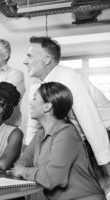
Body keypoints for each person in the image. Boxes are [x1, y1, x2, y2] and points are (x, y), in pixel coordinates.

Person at [24, 36, 110, 193]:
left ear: (47, 59)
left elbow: (91, 123)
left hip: (103, 134)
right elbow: (33, 125)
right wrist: (26, 160)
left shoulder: (69, 78)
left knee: (99, 188)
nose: (24, 61)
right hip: (77, 137)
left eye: (29, 56)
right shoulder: (35, 85)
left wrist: (106, 166)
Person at [13, 82, 105, 200]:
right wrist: (27, 169)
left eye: (35, 98)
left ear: (47, 106)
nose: (31, 102)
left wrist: (23, 171)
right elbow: (23, 161)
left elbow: (51, 177)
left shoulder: (66, 133)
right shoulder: (40, 134)